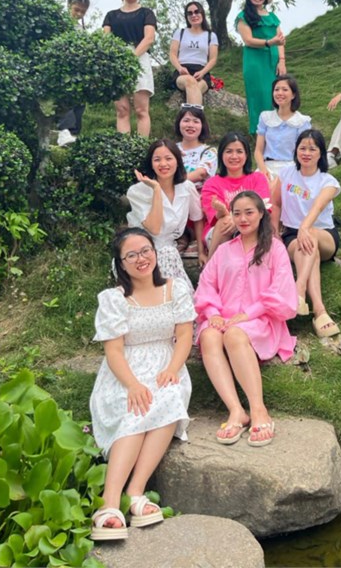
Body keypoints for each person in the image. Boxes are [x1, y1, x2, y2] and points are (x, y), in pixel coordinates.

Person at [89, 227, 194, 540]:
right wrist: (133, 384)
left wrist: (173, 368)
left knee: (168, 398)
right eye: (131, 255)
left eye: (146, 250)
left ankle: (135, 492)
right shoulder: (114, 299)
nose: (141, 258)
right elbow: (113, 351)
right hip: (125, 370)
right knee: (135, 407)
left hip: (165, 365)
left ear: (155, 252)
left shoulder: (175, 289)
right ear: (121, 263)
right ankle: (109, 503)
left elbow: (184, 335)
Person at [195, 191, 296, 447]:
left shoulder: (275, 248)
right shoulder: (224, 251)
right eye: (237, 213)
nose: (243, 218)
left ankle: (258, 410)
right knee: (208, 336)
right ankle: (236, 410)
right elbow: (207, 285)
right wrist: (213, 314)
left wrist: (247, 314)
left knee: (234, 334)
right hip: (223, 316)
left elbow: (281, 290)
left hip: (261, 318)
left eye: (249, 212)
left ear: (261, 214)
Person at [273, 129, 341, 338]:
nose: (307, 153)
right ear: (296, 151)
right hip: (292, 235)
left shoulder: (328, 181)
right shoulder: (286, 174)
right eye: (302, 148)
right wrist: (275, 231)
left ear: (321, 153)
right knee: (309, 248)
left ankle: (299, 289)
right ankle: (320, 312)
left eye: (312, 149)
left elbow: (318, 207)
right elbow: (275, 204)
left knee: (310, 235)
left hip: (324, 234)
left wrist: (305, 228)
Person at [127, 139, 204, 285]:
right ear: (151, 163)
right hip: (140, 250)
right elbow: (154, 229)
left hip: (169, 251)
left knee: (170, 261)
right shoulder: (137, 191)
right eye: (157, 159)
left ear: (177, 161)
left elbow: (197, 218)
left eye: (168, 158)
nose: (163, 164)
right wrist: (156, 189)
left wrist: (201, 252)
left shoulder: (186, 187)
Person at [200, 132, 271, 259]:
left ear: (246, 155)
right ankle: (211, 267)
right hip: (220, 232)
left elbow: (263, 207)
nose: (234, 156)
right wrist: (223, 212)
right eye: (229, 151)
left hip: (252, 227)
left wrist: (235, 218)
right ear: (221, 155)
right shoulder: (211, 183)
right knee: (224, 222)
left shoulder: (258, 178)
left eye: (239, 151)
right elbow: (215, 217)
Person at [103, 0, 156, 137]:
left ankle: (141, 147)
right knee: (122, 110)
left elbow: (149, 38)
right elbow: (106, 40)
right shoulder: (111, 15)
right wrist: (119, 59)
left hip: (140, 58)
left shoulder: (146, 13)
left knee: (141, 110)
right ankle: (124, 147)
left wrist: (131, 58)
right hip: (117, 61)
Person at [235, 0, 286, 134]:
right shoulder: (243, 17)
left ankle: (277, 129)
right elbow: (248, 40)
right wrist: (269, 42)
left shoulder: (272, 17)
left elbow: (280, 40)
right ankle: (259, 132)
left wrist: (282, 61)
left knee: (276, 94)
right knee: (260, 95)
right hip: (255, 62)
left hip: (273, 61)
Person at [174, 104, 218, 259]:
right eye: (186, 120)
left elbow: (201, 173)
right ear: (179, 123)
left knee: (187, 188)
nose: (190, 125)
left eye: (195, 121)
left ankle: (193, 236)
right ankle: (180, 235)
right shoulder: (171, 149)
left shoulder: (209, 151)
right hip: (174, 193)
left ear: (202, 125)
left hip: (198, 195)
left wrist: (173, 181)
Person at [254, 74, 311, 183]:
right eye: (276, 90)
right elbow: (258, 150)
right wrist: (263, 170)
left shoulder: (302, 122)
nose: (280, 93)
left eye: (285, 90)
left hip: (291, 168)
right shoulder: (265, 117)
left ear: (293, 95)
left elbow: (304, 152)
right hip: (267, 167)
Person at [57, 0, 91, 146]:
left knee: (79, 103)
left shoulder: (81, 30)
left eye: (82, 12)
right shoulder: (59, 24)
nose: (79, 14)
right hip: (63, 70)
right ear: (69, 5)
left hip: (78, 72)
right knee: (66, 100)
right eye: (76, 10)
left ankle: (75, 134)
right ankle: (64, 131)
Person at [169, 1, 219, 106]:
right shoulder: (180, 32)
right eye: (190, 13)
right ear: (186, 16)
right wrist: (180, 68)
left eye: (197, 12)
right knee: (190, 81)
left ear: (202, 13)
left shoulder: (211, 35)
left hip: (202, 72)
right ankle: (196, 115)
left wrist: (203, 72)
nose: (194, 15)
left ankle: (190, 114)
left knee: (196, 87)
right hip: (182, 72)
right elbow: (172, 55)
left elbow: (213, 59)